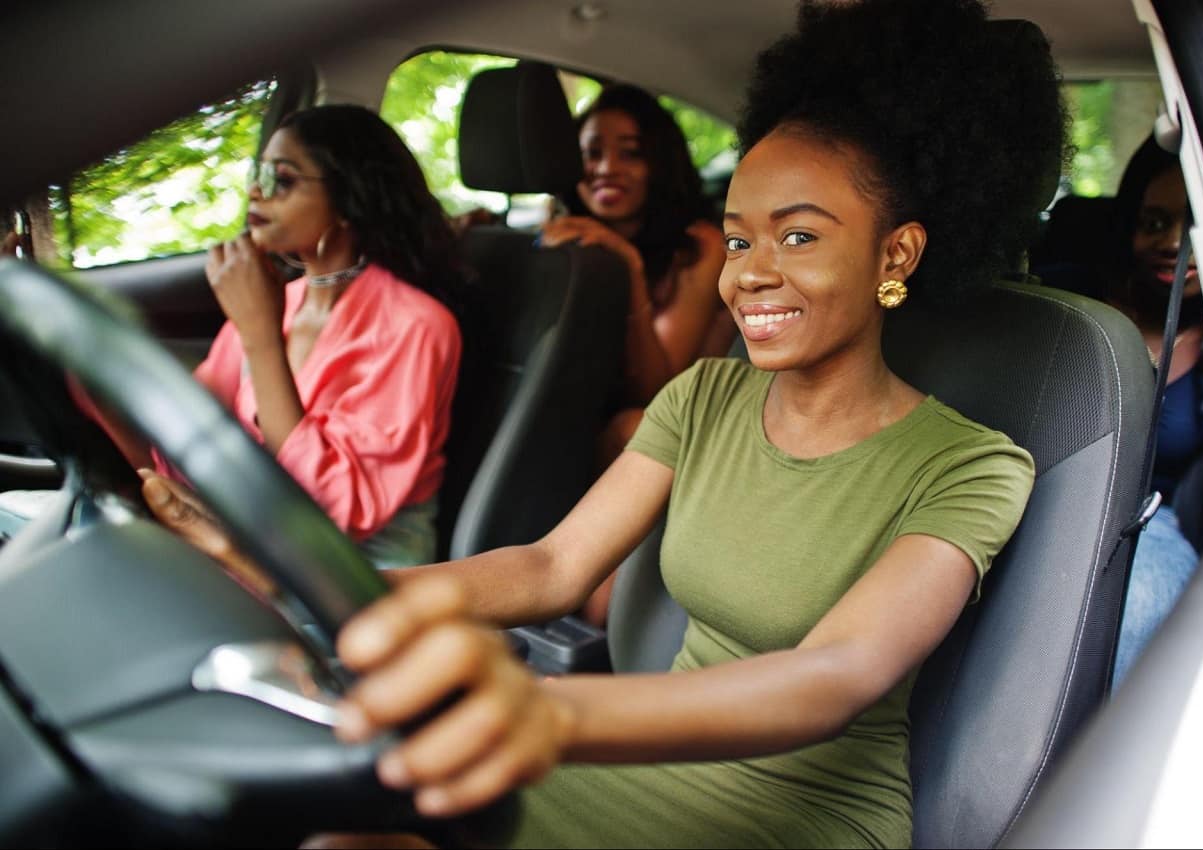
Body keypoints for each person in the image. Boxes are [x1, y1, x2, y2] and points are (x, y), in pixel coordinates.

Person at [144, 0, 1063, 845]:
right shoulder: (703, 396)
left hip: (802, 818)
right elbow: (550, 567)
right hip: (647, 758)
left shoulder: (969, 464)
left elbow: (836, 676)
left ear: (895, 252)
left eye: (800, 235)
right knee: (349, 818)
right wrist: (285, 575)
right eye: (738, 238)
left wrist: (551, 716)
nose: (747, 274)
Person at [167, 104, 465, 568]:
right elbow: (186, 437)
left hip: (357, 583)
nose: (255, 192)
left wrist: (262, 337)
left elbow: (335, 509)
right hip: (261, 543)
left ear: (349, 200)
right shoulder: (280, 302)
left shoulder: (414, 325)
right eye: (258, 175)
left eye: (281, 181)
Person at [540, 84, 736, 624]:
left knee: (631, 424)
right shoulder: (569, 238)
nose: (606, 168)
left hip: (673, 428)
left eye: (630, 153)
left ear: (659, 164)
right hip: (587, 434)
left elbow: (658, 391)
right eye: (591, 152)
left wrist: (627, 269)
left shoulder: (698, 246)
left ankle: (599, 621)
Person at [1106, 135, 1203, 687]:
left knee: (1146, 592)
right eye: (1154, 222)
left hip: (1155, 522)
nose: (1173, 242)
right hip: (1041, 501)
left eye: (1193, 226)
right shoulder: (1078, 306)